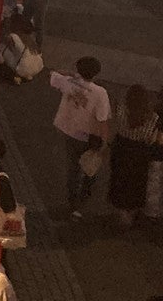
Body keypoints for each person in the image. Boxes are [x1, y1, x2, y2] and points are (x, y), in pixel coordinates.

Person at [50, 56, 111, 218]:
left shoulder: (68, 82)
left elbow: (54, 74)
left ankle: (72, 200)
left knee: (73, 166)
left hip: (69, 131)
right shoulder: (100, 93)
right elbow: (102, 119)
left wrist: (71, 74)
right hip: (89, 135)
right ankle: (83, 197)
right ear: (96, 73)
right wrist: (104, 140)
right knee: (90, 166)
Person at [108, 84, 160, 225]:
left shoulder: (122, 110)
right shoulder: (152, 117)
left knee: (120, 178)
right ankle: (131, 212)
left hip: (121, 147)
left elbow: (116, 126)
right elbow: (151, 139)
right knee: (136, 181)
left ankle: (122, 212)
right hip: (140, 152)